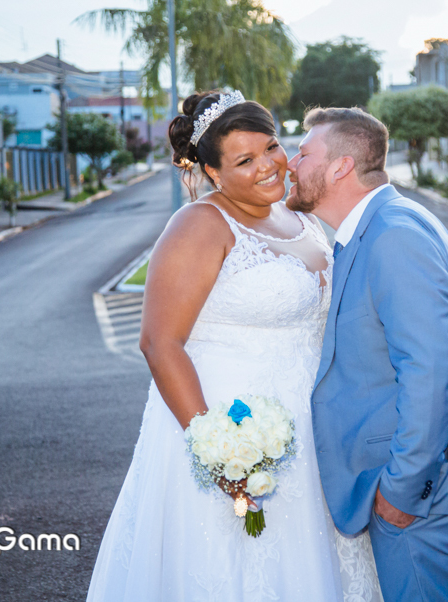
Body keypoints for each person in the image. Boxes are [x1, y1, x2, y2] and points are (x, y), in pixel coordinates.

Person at [85, 91, 381, 602]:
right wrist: (219, 454)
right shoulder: (199, 225)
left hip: (311, 436)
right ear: (212, 172)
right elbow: (159, 342)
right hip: (234, 431)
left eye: (271, 147)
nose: (268, 166)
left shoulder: (302, 218)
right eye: (245, 161)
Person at [287, 107, 448, 601]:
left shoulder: (393, 236)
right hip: (434, 496)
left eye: (304, 153)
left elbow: (432, 373)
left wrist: (402, 490)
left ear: (340, 167)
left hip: (429, 502)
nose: (291, 163)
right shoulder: (384, 224)